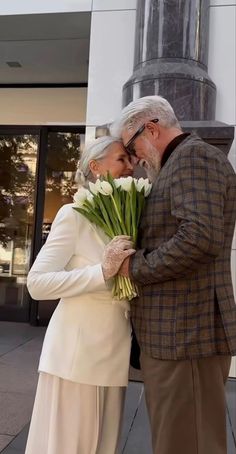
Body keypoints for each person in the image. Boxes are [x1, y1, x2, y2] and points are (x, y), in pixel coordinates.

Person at [110, 95, 236, 454]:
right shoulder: (181, 162)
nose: (134, 161)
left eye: (132, 148)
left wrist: (134, 267)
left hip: (186, 335)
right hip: (177, 335)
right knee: (177, 439)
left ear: (151, 128)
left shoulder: (192, 158)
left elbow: (198, 238)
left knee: (187, 442)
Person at [25, 136, 135, 454]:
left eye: (130, 159)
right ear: (95, 167)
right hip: (75, 359)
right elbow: (37, 282)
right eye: (121, 159)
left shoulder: (126, 214)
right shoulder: (74, 214)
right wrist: (101, 271)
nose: (130, 166)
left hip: (114, 356)